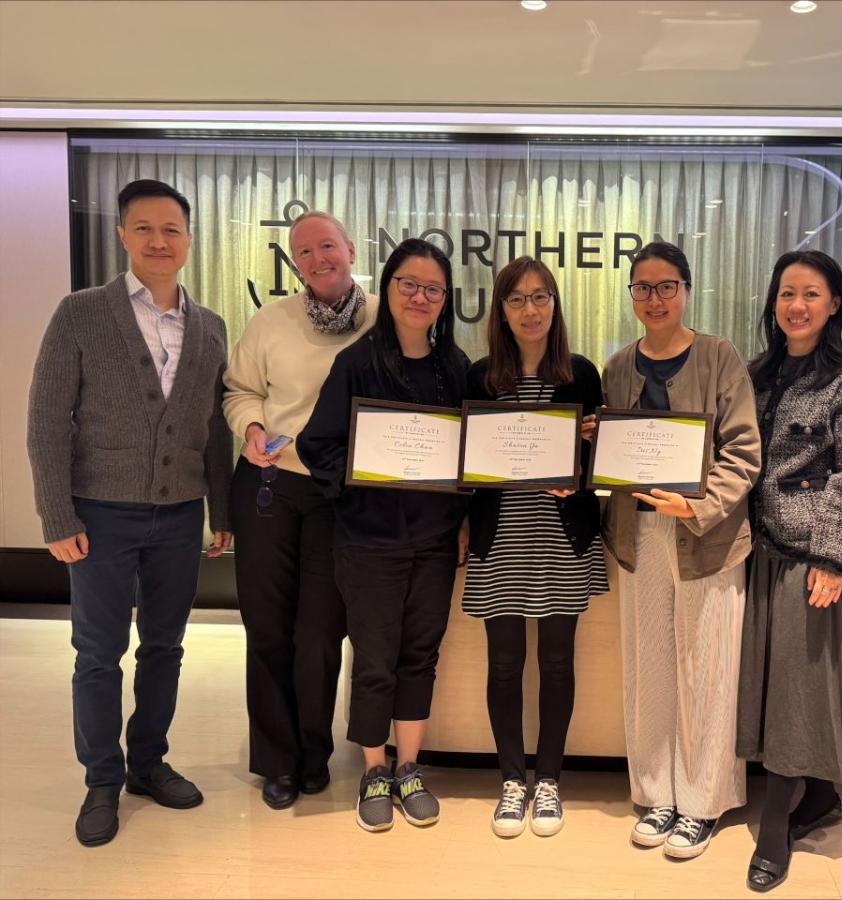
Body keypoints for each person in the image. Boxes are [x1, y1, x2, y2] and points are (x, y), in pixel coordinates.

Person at [26, 179, 233, 847]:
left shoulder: (209, 327)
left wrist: (220, 511)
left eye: (171, 229)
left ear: (189, 239)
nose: (158, 240)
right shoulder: (81, 313)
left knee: (166, 648)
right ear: (122, 235)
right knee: (98, 653)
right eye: (144, 228)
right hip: (99, 515)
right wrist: (58, 517)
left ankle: (148, 762)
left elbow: (216, 430)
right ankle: (102, 779)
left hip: (179, 516)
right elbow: (47, 421)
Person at [297, 238, 469, 834]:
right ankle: (374, 769)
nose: (420, 297)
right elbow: (315, 444)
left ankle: (410, 767)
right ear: (388, 289)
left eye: (433, 289)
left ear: (445, 301)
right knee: (374, 659)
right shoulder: (357, 363)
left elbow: (471, 459)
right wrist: (367, 475)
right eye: (409, 285)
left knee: (421, 654)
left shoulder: (456, 369)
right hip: (368, 540)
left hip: (434, 541)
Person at [600, 241, 761, 859]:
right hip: (638, 535)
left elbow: (744, 451)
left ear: (687, 290)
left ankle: (700, 803)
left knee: (707, 668)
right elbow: (616, 455)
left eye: (666, 286)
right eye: (642, 287)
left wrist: (696, 505)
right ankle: (656, 793)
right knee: (650, 669)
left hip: (707, 537)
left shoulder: (720, 357)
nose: (654, 298)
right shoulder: (618, 367)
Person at [223, 211, 378, 810]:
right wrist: (252, 426)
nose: (317, 258)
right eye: (304, 251)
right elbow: (239, 390)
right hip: (269, 486)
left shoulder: (376, 323)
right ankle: (276, 760)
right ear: (295, 262)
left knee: (320, 632)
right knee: (267, 628)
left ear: (351, 248)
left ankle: (314, 750)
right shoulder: (271, 320)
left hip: (338, 494)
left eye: (327, 246)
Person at [735, 250, 842, 892]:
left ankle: (774, 830)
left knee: (795, 692)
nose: (797, 306)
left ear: (834, 304)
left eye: (812, 294)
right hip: (756, 551)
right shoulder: (756, 371)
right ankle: (816, 798)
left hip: (811, 559)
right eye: (787, 293)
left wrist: (832, 555)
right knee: (775, 686)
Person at [462, 257, 608, 839]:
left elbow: (601, 467)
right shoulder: (479, 378)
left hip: (561, 538)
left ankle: (548, 779)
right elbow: (464, 466)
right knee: (503, 665)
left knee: (556, 662)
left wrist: (586, 460)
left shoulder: (581, 373)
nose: (530, 309)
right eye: (517, 299)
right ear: (501, 310)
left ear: (555, 305)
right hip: (501, 538)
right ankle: (511, 779)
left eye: (541, 296)